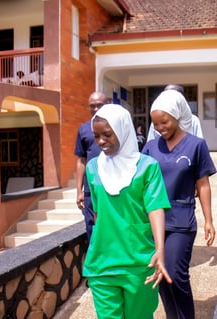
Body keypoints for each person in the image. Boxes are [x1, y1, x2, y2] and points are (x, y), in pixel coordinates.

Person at [83, 103, 173, 318]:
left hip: (139, 263)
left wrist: (160, 250)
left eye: (107, 134)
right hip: (101, 264)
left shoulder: (147, 167)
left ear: (123, 130)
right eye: (96, 136)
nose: (101, 141)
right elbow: (97, 214)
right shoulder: (93, 167)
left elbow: (155, 209)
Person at [142, 90, 217, 319]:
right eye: (155, 124)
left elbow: (202, 184)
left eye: (164, 121)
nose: (159, 127)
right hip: (153, 222)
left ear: (176, 117)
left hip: (181, 221)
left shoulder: (196, 145)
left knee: (175, 272)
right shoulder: (150, 148)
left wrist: (209, 220)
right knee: (161, 275)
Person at [74, 91, 107, 242]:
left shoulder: (116, 126)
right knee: (92, 228)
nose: (95, 109)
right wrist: (79, 191)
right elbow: (81, 160)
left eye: (99, 105)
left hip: (112, 187)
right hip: (90, 189)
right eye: (92, 106)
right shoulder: (84, 129)